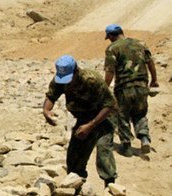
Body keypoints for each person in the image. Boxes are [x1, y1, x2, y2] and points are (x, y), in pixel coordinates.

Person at [43, 55, 118, 188]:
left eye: (69, 79)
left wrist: (90, 125)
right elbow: (51, 95)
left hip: (103, 117)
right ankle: (76, 185)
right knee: (74, 156)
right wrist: (46, 111)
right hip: (83, 117)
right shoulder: (60, 80)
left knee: (103, 150)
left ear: (76, 71)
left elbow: (110, 104)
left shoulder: (91, 79)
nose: (67, 83)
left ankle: (110, 186)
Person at [103, 24, 159, 154]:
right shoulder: (140, 43)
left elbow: (110, 72)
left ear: (111, 36)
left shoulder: (112, 48)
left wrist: (105, 88)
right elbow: (150, 62)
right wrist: (154, 80)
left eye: (109, 37)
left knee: (123, 115)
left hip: (124, 87)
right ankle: (144, 138)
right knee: (140, 113)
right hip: (142, 85)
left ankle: (126, 145)